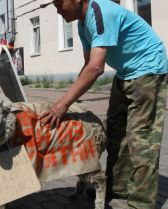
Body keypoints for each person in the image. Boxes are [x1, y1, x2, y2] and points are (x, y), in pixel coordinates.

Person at [40, 0, 168, 208]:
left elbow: (97, 68)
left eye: (60, 2)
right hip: (126, 72)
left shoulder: (99, 13)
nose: (58, 9)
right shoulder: (82, 25)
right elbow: (88, 65)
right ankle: (117, 186)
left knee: (141, 139)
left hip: (148, 69)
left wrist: (63, 104)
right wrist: (69, 101)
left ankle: (142, 202)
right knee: (115, 132)